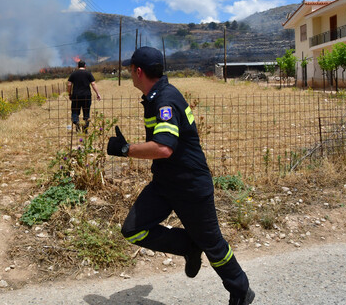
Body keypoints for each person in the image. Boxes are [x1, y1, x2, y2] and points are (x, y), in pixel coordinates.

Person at [107, 46, 254, 305]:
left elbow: (163, 147)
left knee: (212, 244)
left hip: (190, 186)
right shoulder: (155, 96)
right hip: (165, 183)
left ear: (138, 71)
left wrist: (125, 149)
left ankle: (241, 290)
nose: (130, 74)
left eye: (130, 70)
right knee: (133, 230)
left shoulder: (164, 99)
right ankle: (188, 245)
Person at [67, 60, 101, 132]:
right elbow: (93, 84)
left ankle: (77, 123)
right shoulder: (88, 73)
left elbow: (69, 84)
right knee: (86, 112)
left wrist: (69, 94)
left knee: (75, 112)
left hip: (76, 96)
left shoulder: (73, 74)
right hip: (87, 96)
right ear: (85, 66)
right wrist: (98, 93)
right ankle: (85, 130)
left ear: (78, 66)